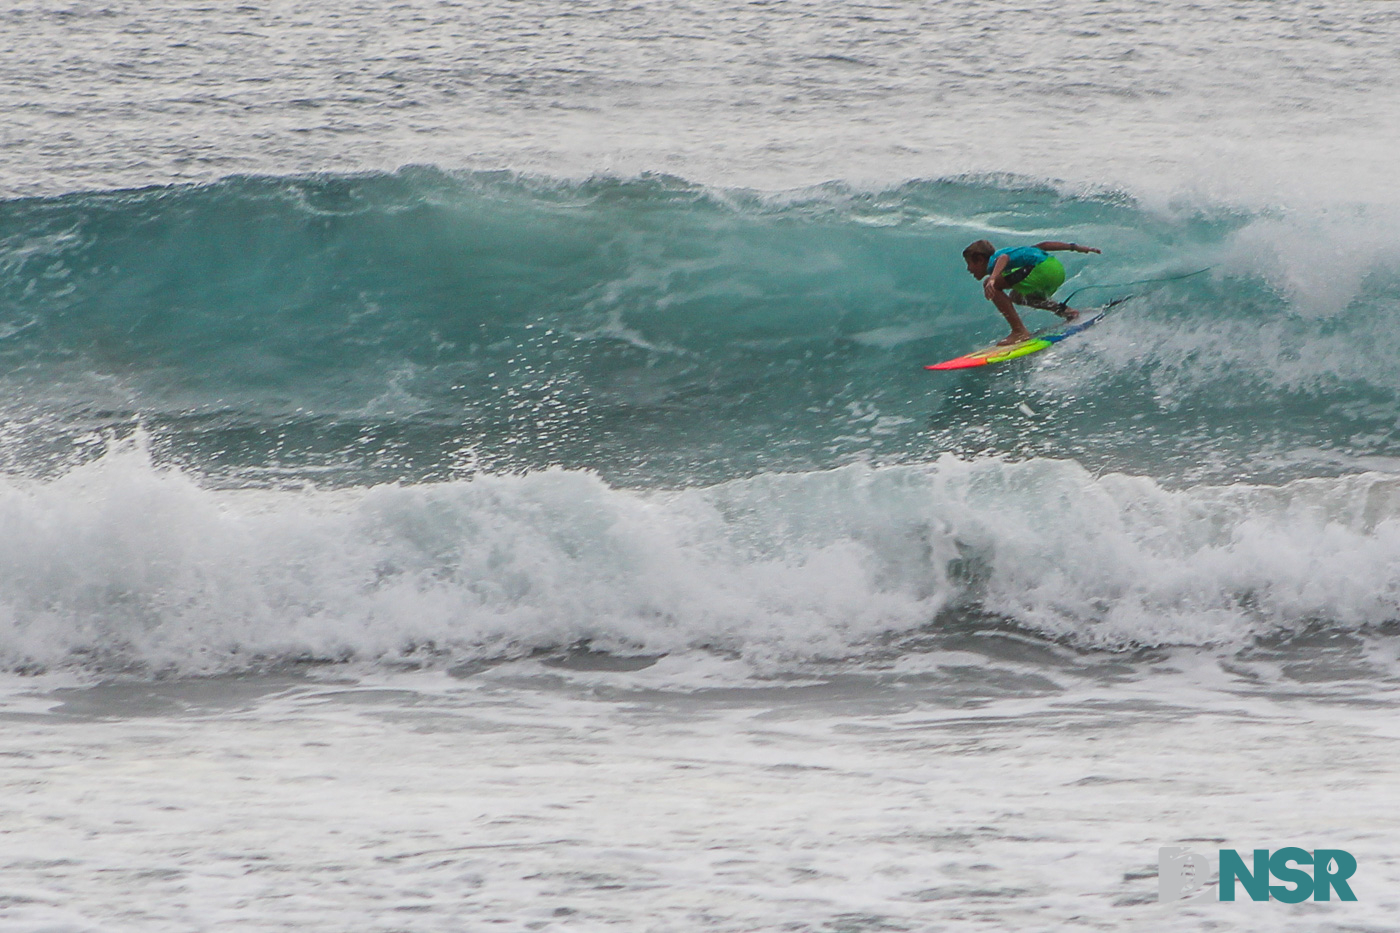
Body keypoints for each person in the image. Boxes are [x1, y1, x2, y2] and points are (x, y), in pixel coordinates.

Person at [962, 239, 1102, 345]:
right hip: (1056, 270)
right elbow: (1044, 245)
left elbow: (1003, 258)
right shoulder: (1017, 251)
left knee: (990, 284)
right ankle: (1068, 312)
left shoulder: (994, 260)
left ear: (980, 260)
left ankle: (1019, 332)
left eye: (969, 263)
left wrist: (992, 279)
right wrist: (1076, 248)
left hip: (1041, 269)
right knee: (1018, 296)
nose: (968, 269)